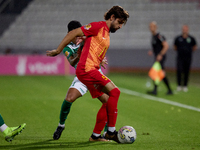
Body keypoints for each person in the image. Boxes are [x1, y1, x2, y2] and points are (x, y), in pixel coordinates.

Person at [47, 6, 129, 143]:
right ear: (112, 17)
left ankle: (96, 136)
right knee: (115, 92)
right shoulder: (98, 26)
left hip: (91, 70)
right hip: (86, 70)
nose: (120, 26)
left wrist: (99, 58)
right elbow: (73, 33)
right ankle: (110, 132)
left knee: (108, 101)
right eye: (120, 22)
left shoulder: (105, 33)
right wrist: (58, 50)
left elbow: (91, 45)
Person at [53, 20, 109, 142]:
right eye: (76, 33)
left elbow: (98, 52)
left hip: (95, 74)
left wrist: (101, 59)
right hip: (82, 76)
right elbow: (72, 62)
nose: (80, 35)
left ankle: (104, 132)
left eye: (80, 32)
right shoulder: (68, 47)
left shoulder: (88, 39)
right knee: (69, 98)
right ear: (70, 33)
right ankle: (61, 125)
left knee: (107, 101)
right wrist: (79, 55)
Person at [147, 21, 173, 95]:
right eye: (150, 26)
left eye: (152, 26)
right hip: (157, 57)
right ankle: (163, 90)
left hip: (160, 57)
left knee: (158, 72)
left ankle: (162, 90)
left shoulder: (159, 36)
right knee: (158, 73)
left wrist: (160, 55)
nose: (151, 28)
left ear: (156, 27)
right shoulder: (153, 36)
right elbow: (157, 47)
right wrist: (152, 51)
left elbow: (166, 46)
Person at [174, 25, 197, 92]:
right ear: (182, 30)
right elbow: (175, 46)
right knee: (179, 70)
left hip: (188, 58)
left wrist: (188, 51)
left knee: (186, 71)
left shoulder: (191, 38)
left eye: (186, 29)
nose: (185, 30)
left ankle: (185, 85)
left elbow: (194, 47)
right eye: (184, 29)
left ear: (188, 30)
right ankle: (179, 85)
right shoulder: (178, 38)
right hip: (180, 57)